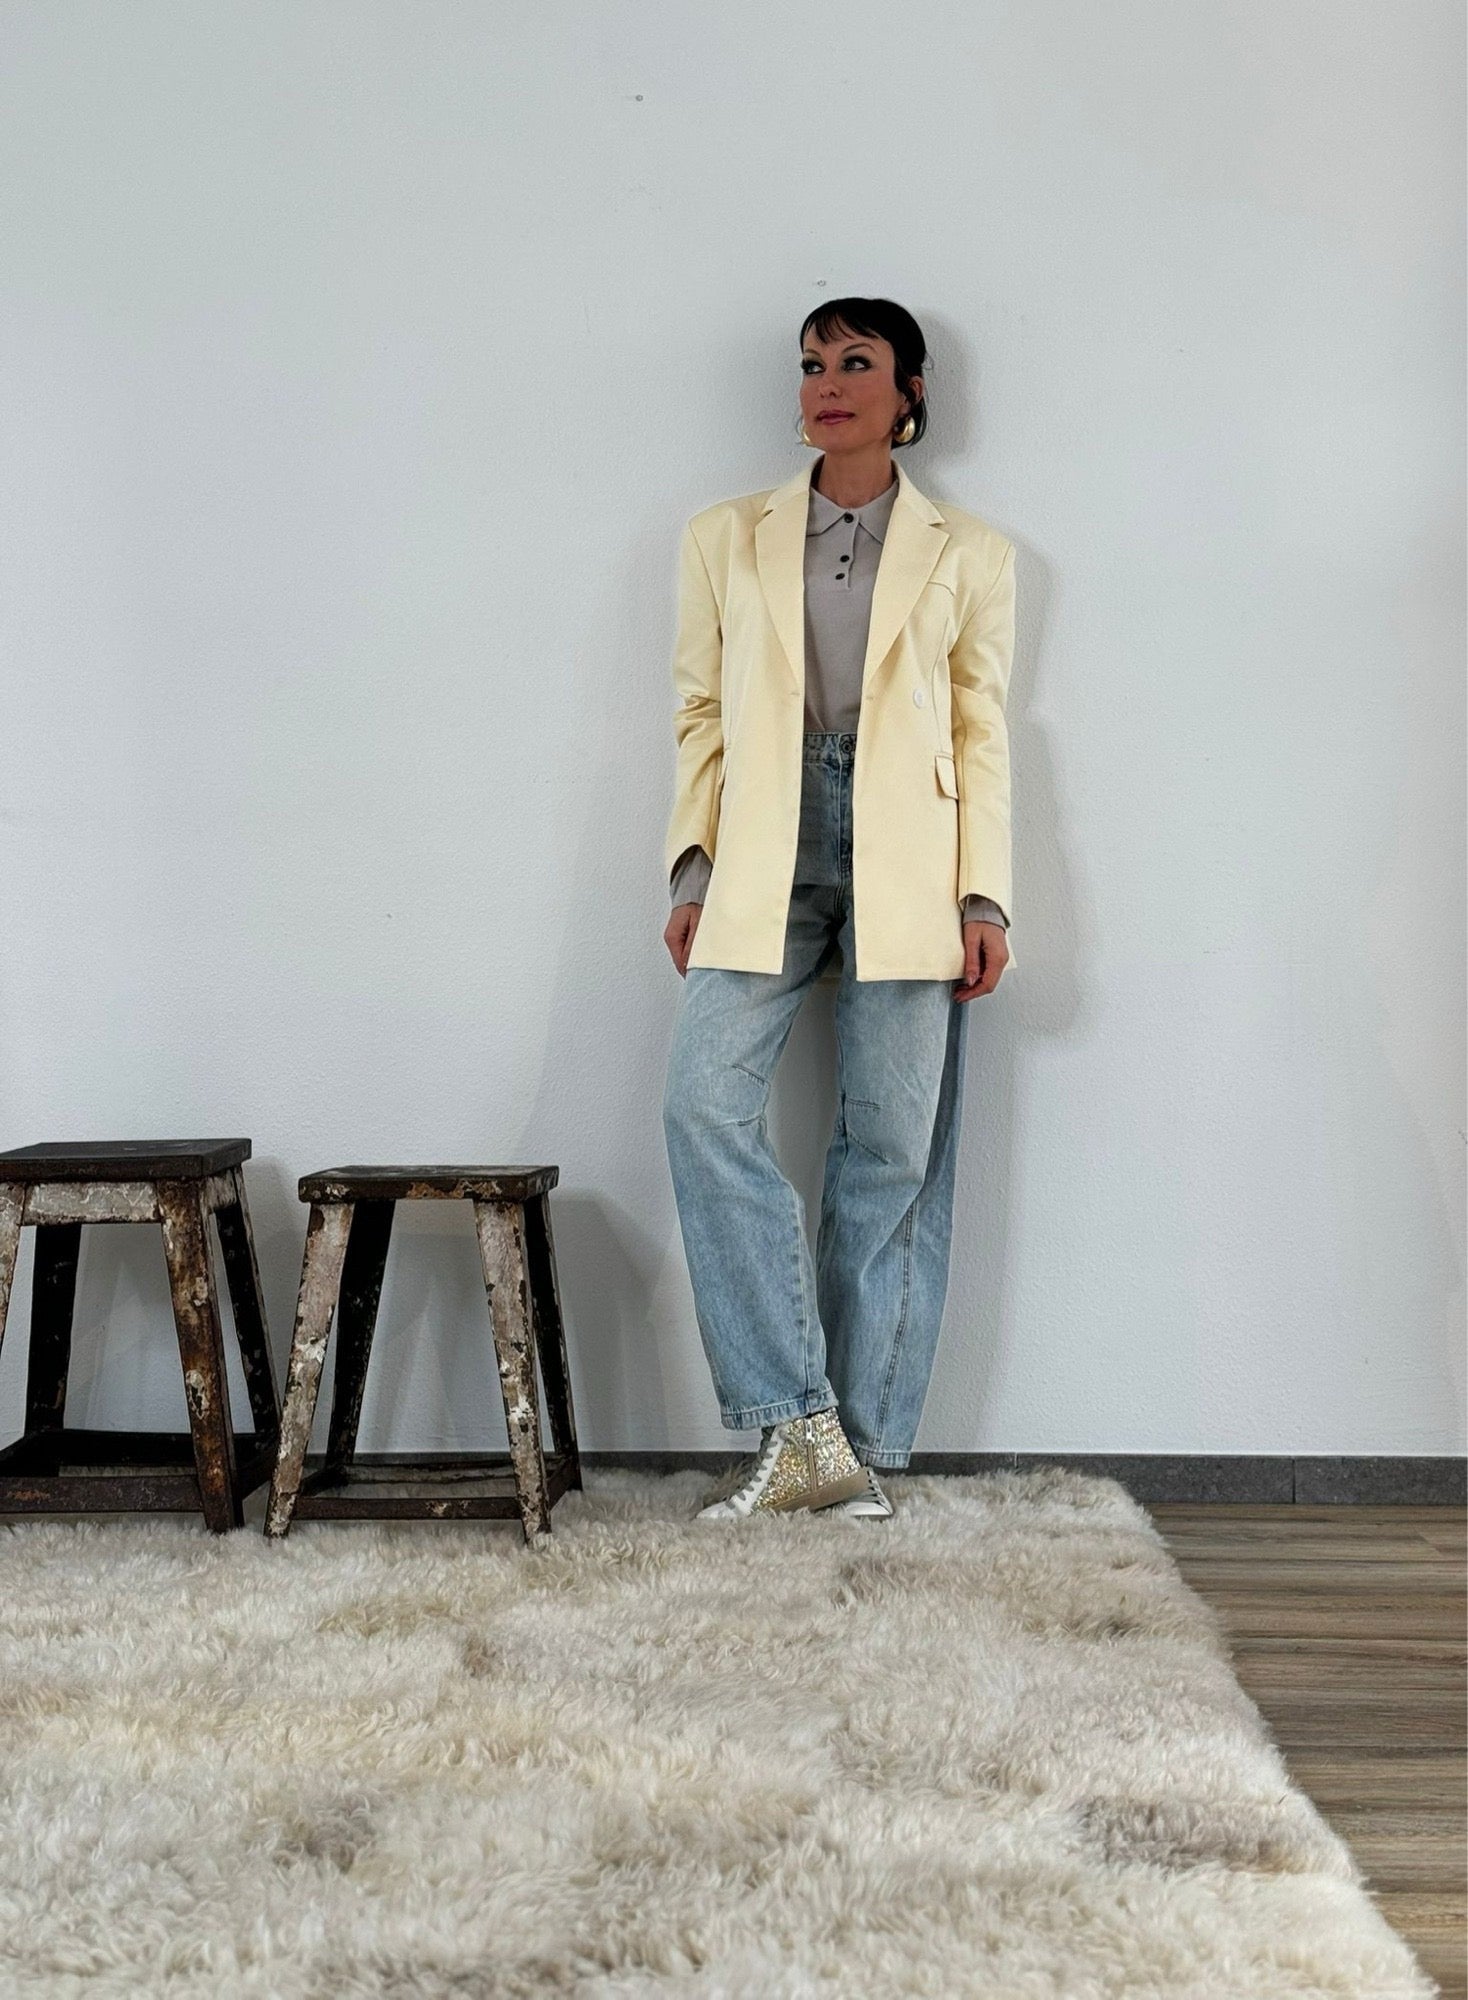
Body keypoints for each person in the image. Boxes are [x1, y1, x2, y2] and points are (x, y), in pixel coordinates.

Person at [659, 297, 1017, 1524]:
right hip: (768, 838)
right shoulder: (725, 535)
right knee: (702, 1105)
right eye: (812, 362)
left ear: (908, 391)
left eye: (856, 362)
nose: (826, 381)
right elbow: (699, 712)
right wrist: (693, 869)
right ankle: (796, 1418)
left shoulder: (972, 552)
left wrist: (984, 893)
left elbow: (980, 731)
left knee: (890, 1149)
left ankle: (852, 1452)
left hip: (913, 849)